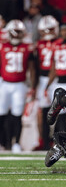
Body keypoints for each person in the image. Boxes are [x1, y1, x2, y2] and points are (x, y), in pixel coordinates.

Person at [0, 20, 37, 152]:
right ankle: (3, 142)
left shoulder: (27, 47)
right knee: (1, 113)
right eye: (14, 33)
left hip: (20, 85)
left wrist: (32, 87)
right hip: (4, 83)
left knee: (17, 116)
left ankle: (16, 142)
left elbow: (32, 69)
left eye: (19, 33)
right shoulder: (2, 46)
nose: (16, 36)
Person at [34, 15, 60, 150]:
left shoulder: (60, 42)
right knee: (43, 110)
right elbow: (35, 65)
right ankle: (43, 140)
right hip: (43, 78)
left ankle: (57, 139)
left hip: (57, 78)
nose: (48, 32)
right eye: (45, 30)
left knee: (58, 110)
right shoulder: (39, 44)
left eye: (50, 29)